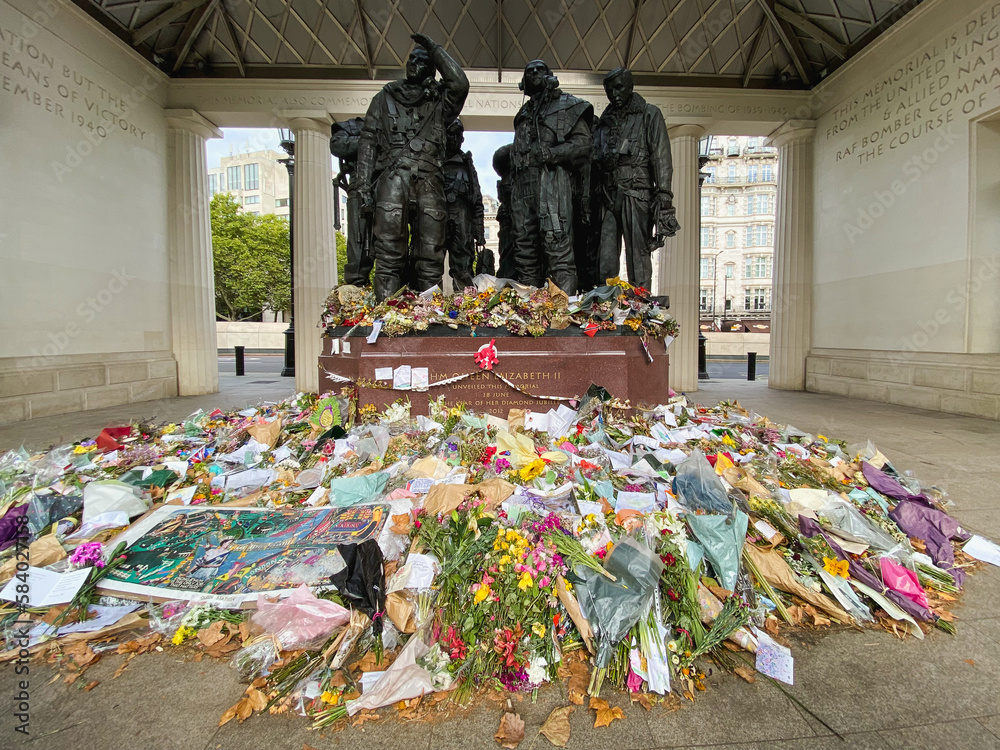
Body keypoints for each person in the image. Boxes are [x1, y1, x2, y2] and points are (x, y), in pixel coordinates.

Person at [356, 33, 469, 300]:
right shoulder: (384, 98)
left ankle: (429, 319)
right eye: (411, 59)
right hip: (393, 180)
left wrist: (434, 48)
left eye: (421, 60)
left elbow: (460, 84)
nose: (413, 64)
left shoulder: (439, 102)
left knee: (430, 256)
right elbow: (368, 142)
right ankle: (384, 322)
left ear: (432, 70)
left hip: (430, 181)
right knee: (388, 254)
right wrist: (361, 186)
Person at [509, 60, 593, 294]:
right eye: (529, 71)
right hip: (522, 190)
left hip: (551, 186)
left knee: (558, 250)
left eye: (540, 69)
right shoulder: (523, 114)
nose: (534, 73)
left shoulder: (568, 105)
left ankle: (561, 317)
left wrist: (551, 153)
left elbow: (584, 144)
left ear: (550, 75)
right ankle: (529, 317)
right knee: (525, 252)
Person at [592, 67, 679, 291]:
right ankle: (605, 306)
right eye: (609, 90)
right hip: (608, 195)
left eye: (619, 87)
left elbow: (661, 157)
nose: (614, 94)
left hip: (636, 193)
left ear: (631, 86)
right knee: (605, 256)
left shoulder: (649, 114)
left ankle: (640, 309)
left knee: (638, 256)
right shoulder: (603, 123)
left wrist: (664, 195)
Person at [442, 119, 486, 291]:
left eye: (458, 135)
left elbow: (476, 199)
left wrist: (480, 232)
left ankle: (465, 308)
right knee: (429, 266)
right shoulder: (433, 160)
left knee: (463, 267)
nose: (454, 139)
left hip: (462, 218)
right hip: (437, 215)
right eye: (450, 134)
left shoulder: (467, 164)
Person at [330, 117, 373, 287]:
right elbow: (338, 145)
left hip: (391, 189)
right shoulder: (352, 126)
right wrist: (370, 141)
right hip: (360, 190)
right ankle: (356, 286)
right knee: (358, 243)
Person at [492, 144, 517, 280]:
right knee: (508, 256)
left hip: (515, 221)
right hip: (509, 221)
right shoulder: (508, 181)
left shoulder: (512, 180)